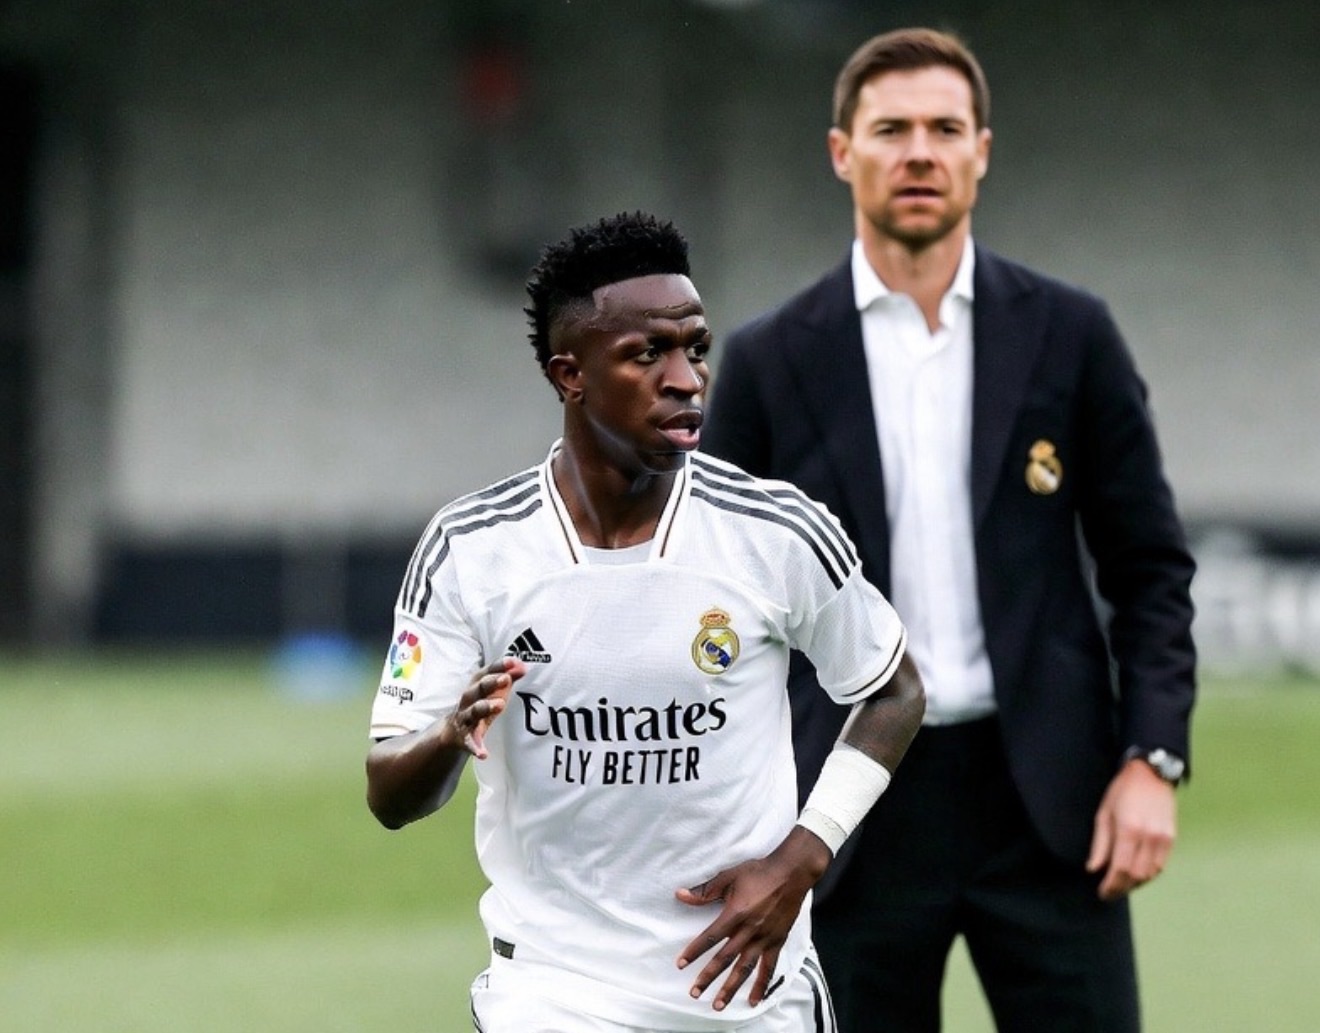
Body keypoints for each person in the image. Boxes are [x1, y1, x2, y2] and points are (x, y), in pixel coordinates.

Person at [701, 27, 1197, 1033]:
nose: (919, 152)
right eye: (892, 130)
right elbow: (708, 600)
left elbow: (1149, 567)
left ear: (982, 150)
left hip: (1047, 799)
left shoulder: (1071, 334)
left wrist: (1152, 758)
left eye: (944, 129)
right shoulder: (767, 361)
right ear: (842, 152)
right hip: (847, 804)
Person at [365, 211, 925, 1032]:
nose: (686, 378)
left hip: (748, 993)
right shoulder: (472, 549)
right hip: (554, 993)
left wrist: (803, 856)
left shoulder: (774, 531)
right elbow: (388, 790)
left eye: (696, 348)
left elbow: (894, 689)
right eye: (647, 353)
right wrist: (450, 732)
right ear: (571, 374)